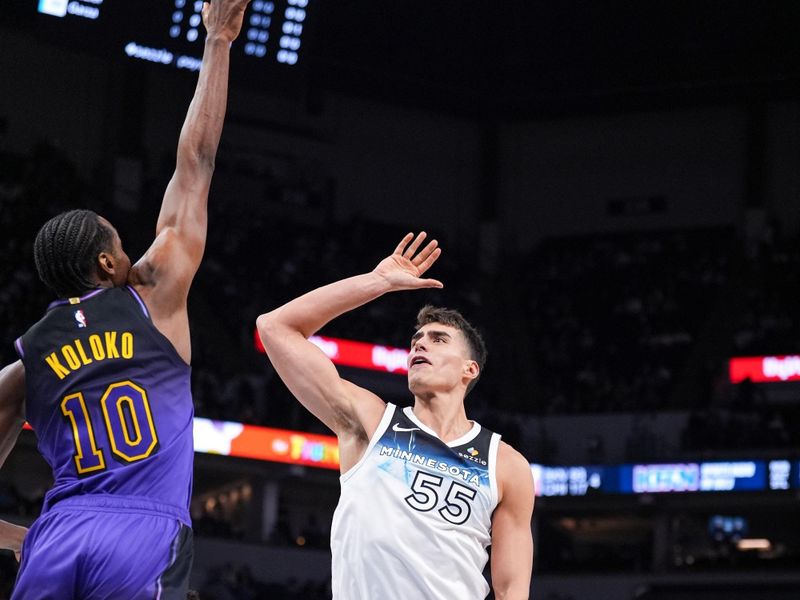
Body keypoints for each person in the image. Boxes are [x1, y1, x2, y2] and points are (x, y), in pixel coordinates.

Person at [0, 1, 251, 597]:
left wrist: (19, 537)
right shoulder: (153, 295)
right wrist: (217, 40)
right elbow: (197, 163)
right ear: (108, 264)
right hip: (143, 531)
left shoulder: (26, 362)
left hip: (59, 532)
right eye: (120, 242)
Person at [256, 232, 535, 599]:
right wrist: (378, 282)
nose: (419, 343)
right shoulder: (371, 422)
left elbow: (511, 588)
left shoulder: (506, 464)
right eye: (417, 339)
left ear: (470, 369)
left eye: (438, 339)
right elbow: (275, 328)